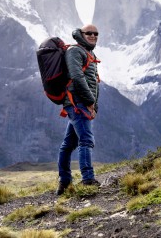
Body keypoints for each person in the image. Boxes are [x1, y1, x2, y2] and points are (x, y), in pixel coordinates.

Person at [57, 24, 101, 195]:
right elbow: (77, 76)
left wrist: (94, 105)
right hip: (77, 103)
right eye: (88, 33)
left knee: (68, 144)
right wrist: (90, 102)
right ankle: (87, 179)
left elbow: (93, 82)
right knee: (86, 140)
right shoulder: (75, 51)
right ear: (81, 34)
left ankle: (65, 182)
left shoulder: (90, 53)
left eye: (96, 33)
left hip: (81, 103)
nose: (92, 36)